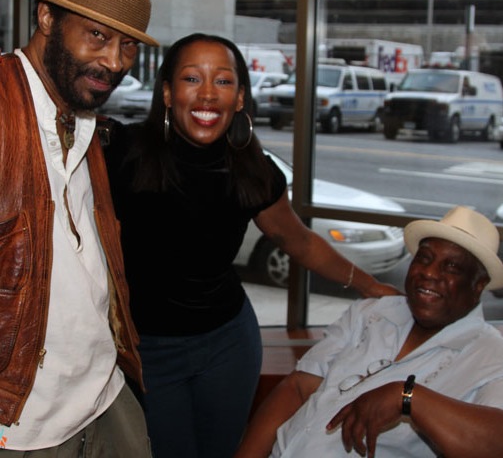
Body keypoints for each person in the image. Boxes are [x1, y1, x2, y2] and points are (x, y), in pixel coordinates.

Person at [103, 31, 401, 458]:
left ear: (240, 98)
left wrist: (371, 286)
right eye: (191, 79)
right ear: (167, 93)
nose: (208, 94)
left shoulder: (251, 169)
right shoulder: (123, 154)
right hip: (149, 350)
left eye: (223, 81)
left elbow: (296, 239)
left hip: (227, 344)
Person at [0, 0, 158, 456]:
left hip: (105, 393)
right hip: (21, 419)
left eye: (129, 45)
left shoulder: (84, 119)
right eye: (98, 35)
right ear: (46, 17)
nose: (115, 61)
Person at [234, 205, 503, 458]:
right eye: (424, 259)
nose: (429, 273)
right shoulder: (372, 313)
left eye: (451, 267)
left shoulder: (490, 355)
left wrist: (408, 398)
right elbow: (298, 387)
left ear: (478, 285)